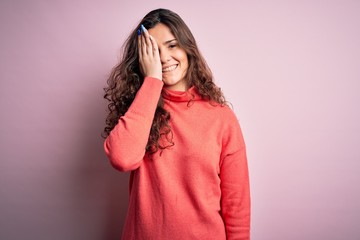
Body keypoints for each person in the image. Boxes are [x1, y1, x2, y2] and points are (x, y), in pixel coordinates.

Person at [103, 8, 250, 240]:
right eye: (153, 51)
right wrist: (152, 80)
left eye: (172, 46)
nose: (163, 58)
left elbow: (237, 206)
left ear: (187, 48)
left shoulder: (221, 118)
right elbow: (122, 158)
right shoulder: (141, 110)